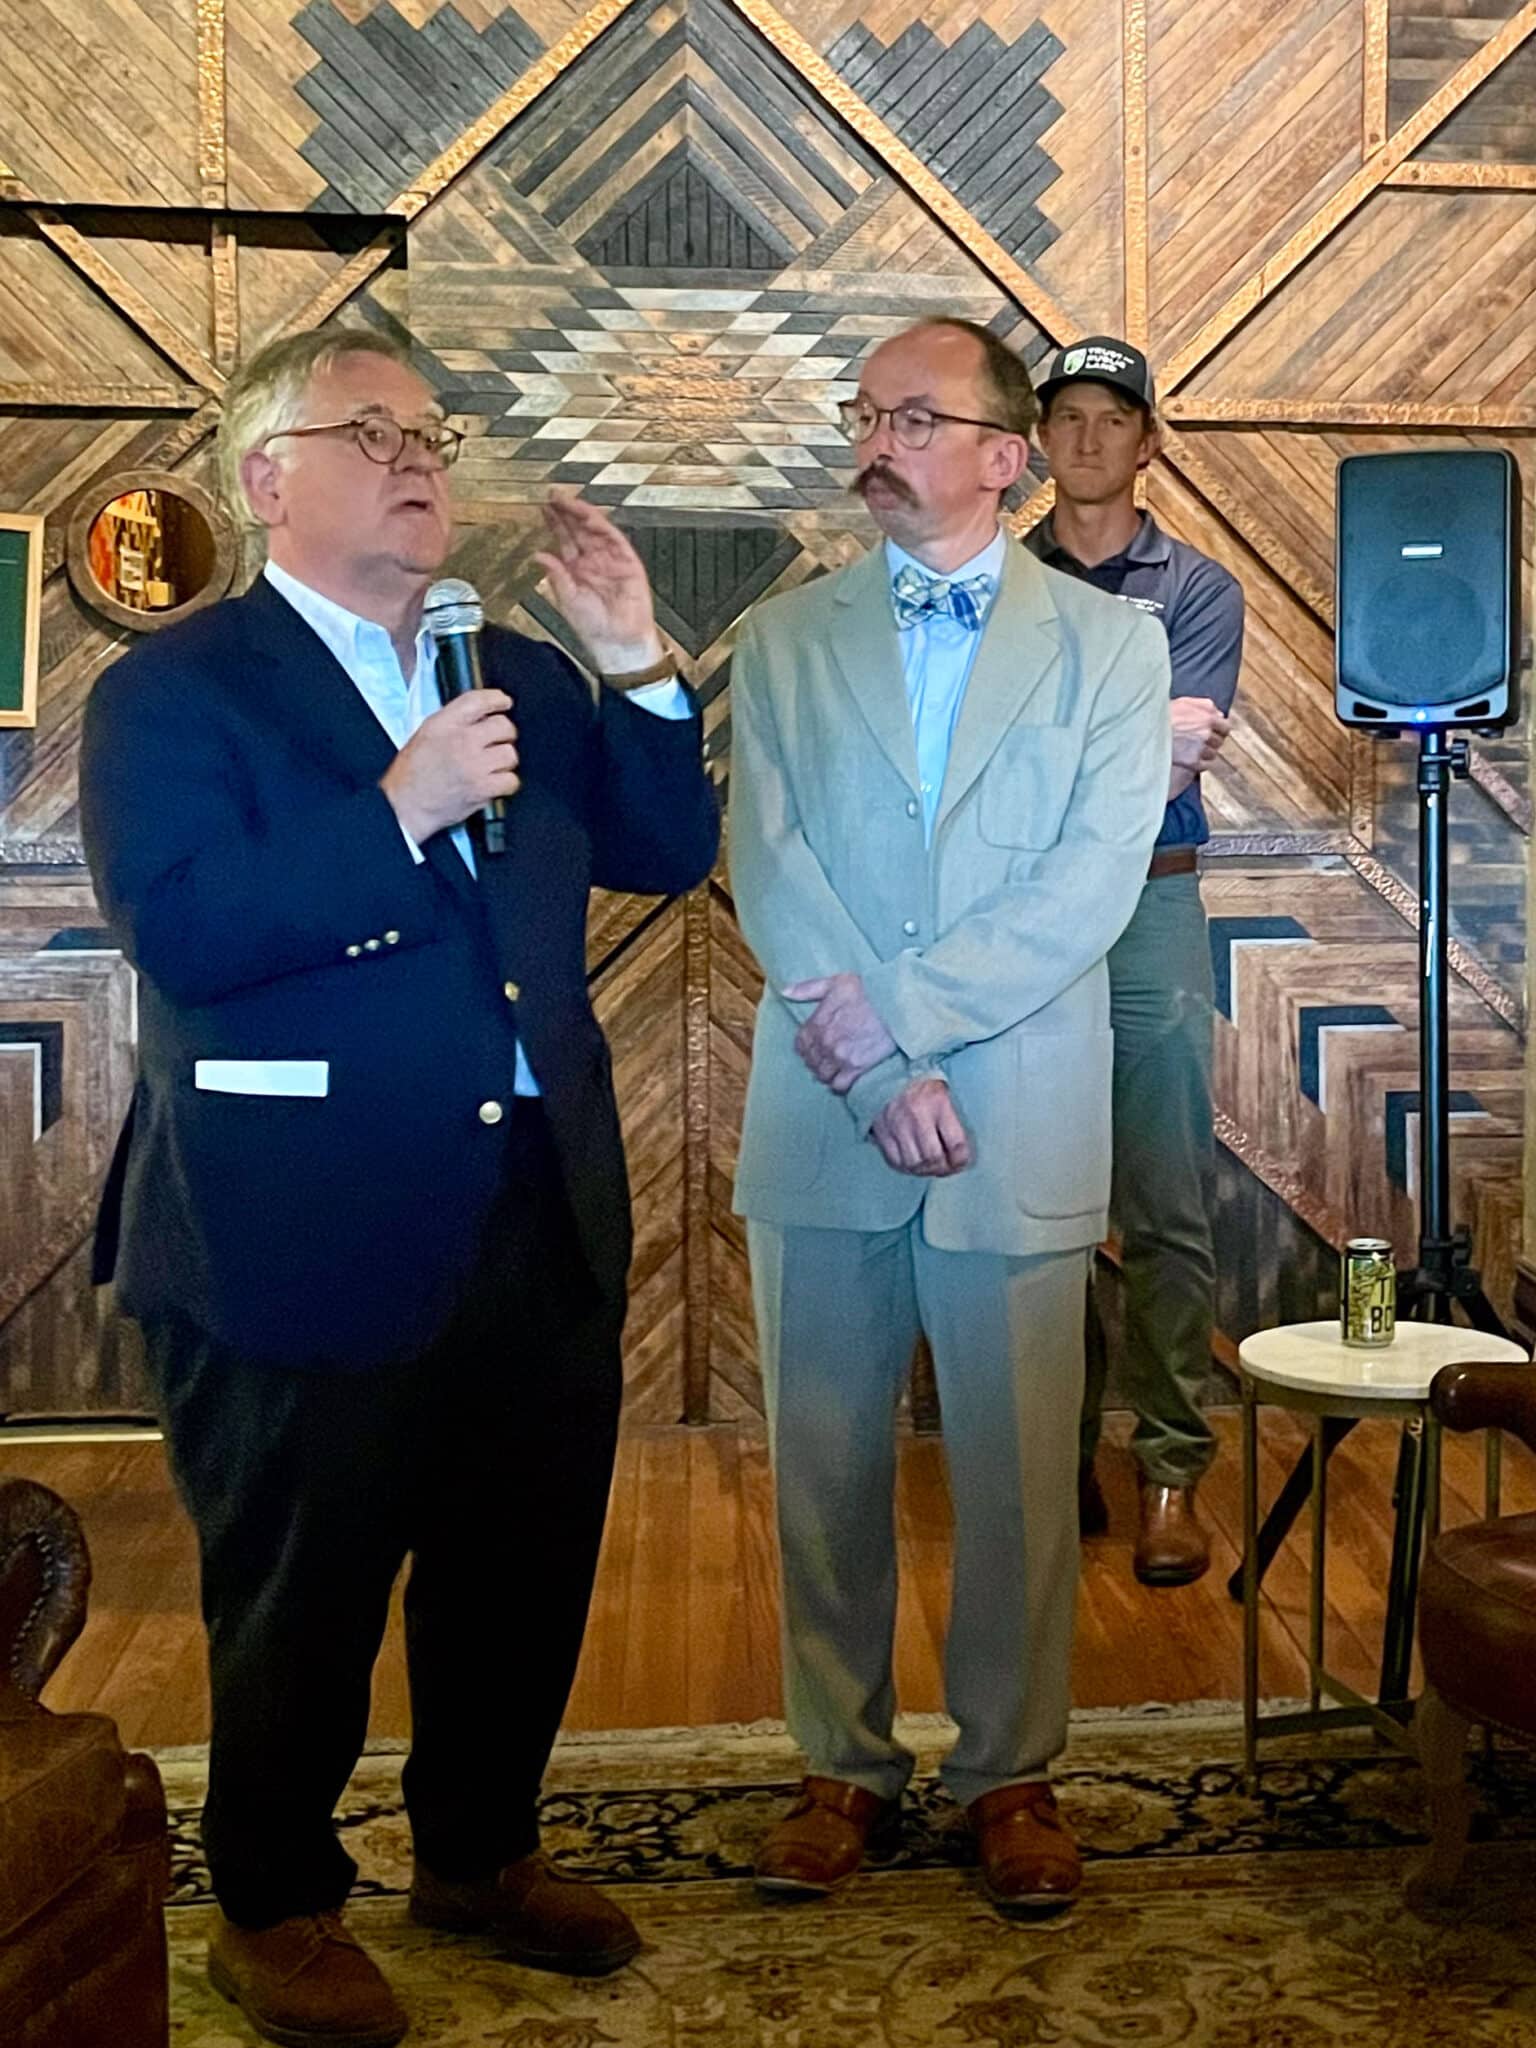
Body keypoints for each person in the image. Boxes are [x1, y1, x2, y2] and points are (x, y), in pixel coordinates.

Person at [79, 326, 718, 2048]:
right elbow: (184, 930)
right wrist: (394, 808)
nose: (419, 457)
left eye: (430, 431)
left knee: (520, 1569)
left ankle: (478, 1853)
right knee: (302, 1588)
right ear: (264, 477)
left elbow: (668, 852)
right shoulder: (177, 687)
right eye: (369, 432)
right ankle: (274, 1900)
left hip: (535, 1199)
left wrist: (632, 659)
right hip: (299, 1209)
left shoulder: (512, 669)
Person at [727, 317, 1170, 1917]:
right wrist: (870, 1070)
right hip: (826, 1111)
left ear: (1007, 453)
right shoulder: (782, 640)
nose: (876, 441)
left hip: (1014, 1115)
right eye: (866, 415)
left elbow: (1092, 885)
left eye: (912, 418)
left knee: (1022, 1475)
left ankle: (1010, 1773)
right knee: (823, 1466)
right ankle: (837, 1761)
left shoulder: (1114, 649)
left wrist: (900, 1024)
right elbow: (770, 865)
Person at [1028, 336, 1245, 1587]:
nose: (1090, 436)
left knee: (1165, 1200)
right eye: (1069, 415)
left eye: (1114, 416)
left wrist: (1066, 745)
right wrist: (1127, 734)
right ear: (1039, 440)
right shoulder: (1003, 579)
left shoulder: (1199, 587)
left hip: (1152, 900)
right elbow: (992, 768)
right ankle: (1053, 1457)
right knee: (1039, 1203)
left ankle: (1171, 1466)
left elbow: (1175, 765)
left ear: (1149, 439)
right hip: (1029, 912)